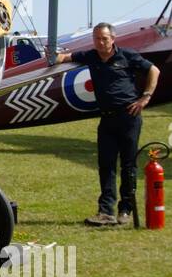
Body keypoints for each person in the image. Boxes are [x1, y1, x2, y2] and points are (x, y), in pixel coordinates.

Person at [52, 23, 160, 226]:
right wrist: (54, 56)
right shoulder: (91, 56)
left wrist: (145, 97)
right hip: (107, 119)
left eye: (104, 38)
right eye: (97, 39)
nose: (100, 43)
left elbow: (154, 70)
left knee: (128, 164)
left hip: (129, 116)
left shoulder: (127, 55)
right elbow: (64, 58)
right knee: (106, 165)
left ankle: (126, 210)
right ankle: (105, 211)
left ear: (113, 39)